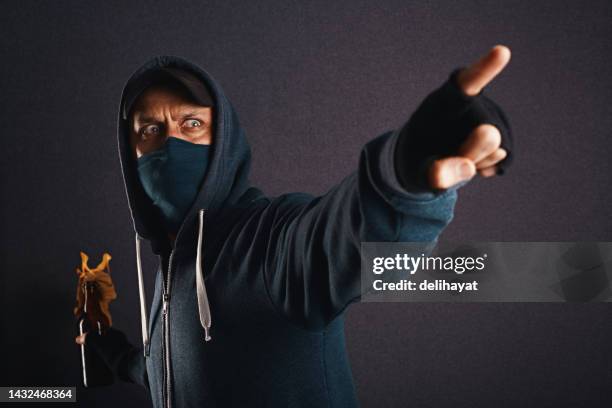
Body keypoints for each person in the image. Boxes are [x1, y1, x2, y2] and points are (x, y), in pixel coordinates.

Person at [75, 46, 513, 408]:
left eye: (192, 124)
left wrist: (405, 171)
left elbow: (338, 242)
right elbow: (172, 373)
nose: (170, 143)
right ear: (130, 154)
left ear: (223, 139)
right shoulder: (170, 268)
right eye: (149, 129)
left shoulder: (269, 242)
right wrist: (118, 357)